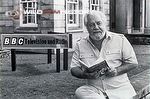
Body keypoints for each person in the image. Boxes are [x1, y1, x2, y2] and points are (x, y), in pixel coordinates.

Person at [70, 11, 138, 99]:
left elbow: (133, 63)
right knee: (79, 91)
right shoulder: (80, 44)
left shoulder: (120, 39)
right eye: (91, 25)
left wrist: (117, 71)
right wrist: (86, 75)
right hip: (94, 90)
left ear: (104, 24)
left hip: (120, 89)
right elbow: (74, 68)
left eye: (99, 23)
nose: (96, 27)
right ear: (87, 28)